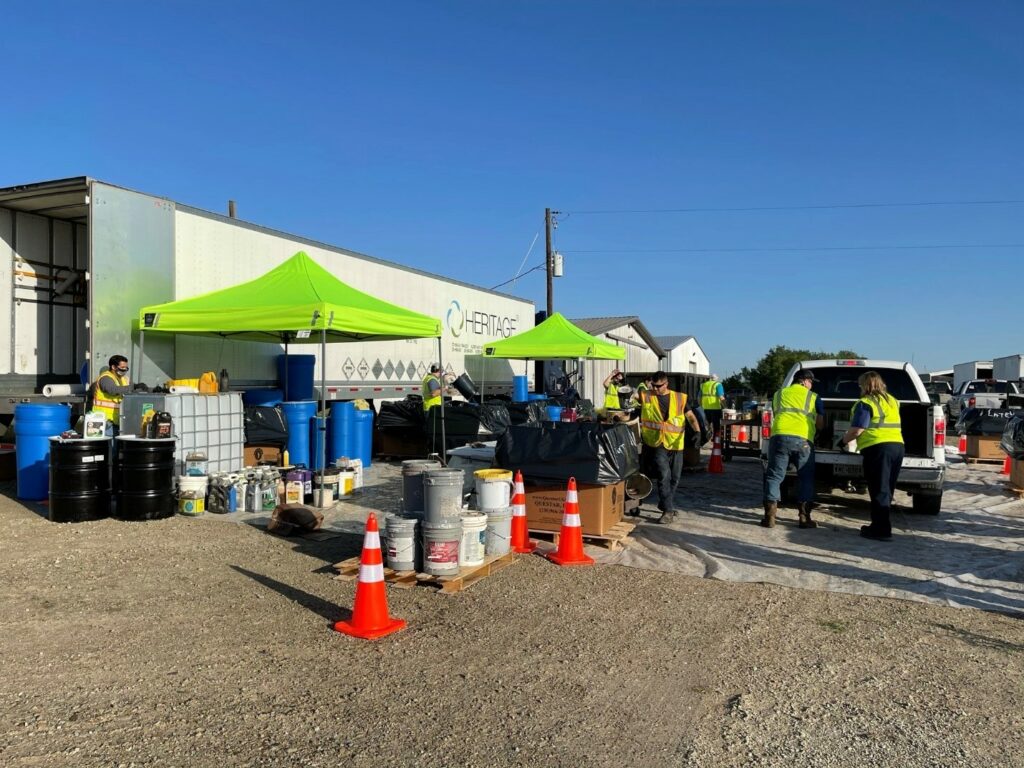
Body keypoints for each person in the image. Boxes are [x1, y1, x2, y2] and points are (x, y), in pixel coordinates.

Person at [837, 371, 904, 542]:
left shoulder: (865, 403)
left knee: (878, 489)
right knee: (887, 489)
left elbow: (858, 429)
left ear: (865, 385)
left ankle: (881, 530)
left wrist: (842, 441)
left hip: (878, 448)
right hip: (897, 447)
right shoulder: (893, 400)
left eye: (860, 385)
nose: (859, 388)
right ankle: (880, 525)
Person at [762, 369, 824, 528]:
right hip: (803, 440)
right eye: (810, 382)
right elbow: (820, 423)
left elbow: (777, 414)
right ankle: (804, 518)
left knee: (774, 476)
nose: (811, 385)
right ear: (803, 381)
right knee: (805, 477)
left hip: (780, 437)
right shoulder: (814, 397)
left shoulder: (779, 394)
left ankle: (770, 517)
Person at [638, 371, 701, 524]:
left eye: (658, 386)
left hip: (675, 443)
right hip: (657, 442)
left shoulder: (679, 398)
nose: (655, 388)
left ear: (666, 384)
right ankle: (668, 510)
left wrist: (698, 431)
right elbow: (630, 398)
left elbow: (691, 417)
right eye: (653, 385)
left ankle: (665, 503)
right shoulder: (646, 396)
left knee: (675, 477)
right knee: (664, 475)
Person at [90, 355, 134, 435]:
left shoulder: (124, 379)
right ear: (113, 367)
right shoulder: (106, 378)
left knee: (116, 445)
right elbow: (112, 390)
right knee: (108, 445)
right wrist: (130, 389)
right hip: (104, 420)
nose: (124, 369)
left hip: (118, 420)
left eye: (126, 367)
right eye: (122, 367)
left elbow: (132, 387)